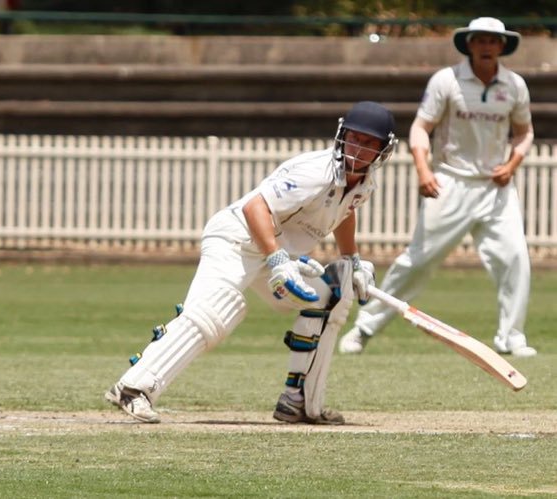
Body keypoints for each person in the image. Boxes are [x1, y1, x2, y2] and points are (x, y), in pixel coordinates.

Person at [107, 102, 397, 425]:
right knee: (215, 311)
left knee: (332, 296)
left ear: (384, 150)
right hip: (237, 240)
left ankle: (298, 402)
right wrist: (277, 259)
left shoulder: (365, 184)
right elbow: (256, 207)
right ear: (342, 135)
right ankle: (134, 388)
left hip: (276, 255)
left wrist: (352, 260)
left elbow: (346, 211)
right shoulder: (315, 171)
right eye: (354, 138)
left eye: (369, 143)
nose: (358, 148)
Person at [339, 17, 536, 357]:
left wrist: (512, 163)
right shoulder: (447, 80)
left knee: (516, 258)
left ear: (502, 46)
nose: (487, 46)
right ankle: (364, 327)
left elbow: (524, 132)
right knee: (417, 262)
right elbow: (420, 128)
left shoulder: (515, 85)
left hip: (495, 187)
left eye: (493, 40)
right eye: (480, 40)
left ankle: (511, 336)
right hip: (449, 180)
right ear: (469, 44)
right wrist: (423, 170)